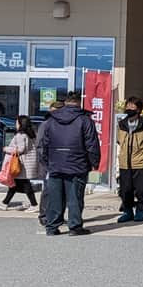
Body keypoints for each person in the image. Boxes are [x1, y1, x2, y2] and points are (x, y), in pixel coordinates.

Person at [37, 90, 101, 236]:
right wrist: (94, 163)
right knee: (75, 197)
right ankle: (75, 226)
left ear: (65, 103)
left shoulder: (51, 120)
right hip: (77, 165)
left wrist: (47, 162)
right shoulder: (85, 120)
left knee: (55, 198)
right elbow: (92, 144)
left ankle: (52, 227)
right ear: (79, 103)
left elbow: (43, 144)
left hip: (55, 164)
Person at [116, 96, 143, 223]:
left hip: (141, 162)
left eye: (133, 106)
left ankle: (141, 211)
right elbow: (119, 141)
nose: (129, 108)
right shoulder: (121, 124)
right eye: (128, 106)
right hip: (125, 163)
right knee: (125, 189)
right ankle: (127, 211)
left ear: (139, 109)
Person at [0, 116, 39, 211]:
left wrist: (6, 149)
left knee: (23, 184)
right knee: (15, 184)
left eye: (17, 122)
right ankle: (5, 203)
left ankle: (34, 205)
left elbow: (20, 149)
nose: (15, 124)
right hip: (27, 163)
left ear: (20, 124)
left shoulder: (20, 135)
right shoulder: (31, 134)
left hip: (22, 163)